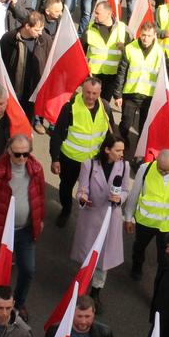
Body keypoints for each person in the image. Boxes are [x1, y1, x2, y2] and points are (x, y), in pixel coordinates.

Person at [0, 135, 46, 318]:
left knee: (28, 270)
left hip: (26, 230)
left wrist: (40, 219)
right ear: (8, 151)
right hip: (1, 232)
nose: (22, 158)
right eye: (18, 154)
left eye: (26, 154)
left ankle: (18, 303)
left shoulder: (36, 170)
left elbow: (40, 197)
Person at [72, 135, 130, 310]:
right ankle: (81, 288)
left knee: (104, 258)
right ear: (107, 149)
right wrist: (82, 198)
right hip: (91, 217)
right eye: (118, 150)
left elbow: (126, 189)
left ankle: (96, 292)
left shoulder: (124, 166)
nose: (121, 154)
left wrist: (119, 199)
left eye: (122, 150)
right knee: (88, 256)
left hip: (111, 218)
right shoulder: (89, 165)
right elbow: (82, 189)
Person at [50, 78, 112, 227]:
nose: (90, 96)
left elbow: (109, 134)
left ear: (100, 92)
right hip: (70, 159)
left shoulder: (105, 108)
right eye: (88, 92)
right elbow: (57, 134)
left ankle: (88, 218)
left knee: (92, 191)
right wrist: (55, 158)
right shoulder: (70, 108)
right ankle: (66, 210)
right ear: (82, 90)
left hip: (93, 161)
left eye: (94, 93)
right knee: (66, 187)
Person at [125, 149, 169, 280]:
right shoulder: (145, 168)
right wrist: (128, 217)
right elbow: (134, 193)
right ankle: (137, 266)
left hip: (167, 225)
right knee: (139, 247)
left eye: (166, 171)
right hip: (145, 222)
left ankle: (161, 281)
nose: (162, 172)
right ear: (156, 160)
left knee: (165, 257)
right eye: (160, 168)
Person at [112, 22, 161, 150]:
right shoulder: (129, 48)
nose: (145, 38)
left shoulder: (160, 53)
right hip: (130, 94)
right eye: (143, 35)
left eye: (149, 36)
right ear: (140, 34)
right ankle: (124, 142)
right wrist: (117, 95)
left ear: (154, 36)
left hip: (149, 97)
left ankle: (139, 151)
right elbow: (121, 72)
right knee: (125, 124)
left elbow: (162, 79)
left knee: (144, 127)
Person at [0, 11, 50, 118]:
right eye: (37, 29)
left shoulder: (45, 40)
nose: (40, 33)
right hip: (12, 91)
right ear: (27, 26)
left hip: (32, 94)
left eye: (42, 29)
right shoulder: (9, 39)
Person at [83, 0, 128, 100]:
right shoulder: (90, 29)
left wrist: (124, 48)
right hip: (93, 75)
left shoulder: (122, 28)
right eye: (95, 12)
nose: (95, 15)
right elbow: (80, 52)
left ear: (109, 14)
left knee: (104, 105)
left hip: (111, 77)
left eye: (98, 13)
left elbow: (132, 51)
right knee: (89, 104)